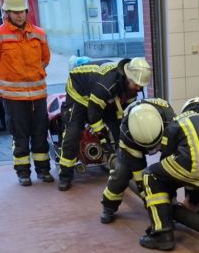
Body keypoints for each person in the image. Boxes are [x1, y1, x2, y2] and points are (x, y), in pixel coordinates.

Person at [139, 101, 199, 250]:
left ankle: (162, 233)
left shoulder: (177, 121)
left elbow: (166, 160)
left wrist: (168, 202)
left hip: (194, 167)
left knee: (152, 175)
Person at [0, 0, 52, 186]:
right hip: (13, 97)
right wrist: (11, 74)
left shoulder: (39, 34)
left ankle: (43, 170)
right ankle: (23, 173)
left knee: (40, 134)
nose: (19, 15)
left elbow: (45, 59)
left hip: (37, 95)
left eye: (22, 11)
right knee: (20, 136)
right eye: (15, 12)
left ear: (26, 11)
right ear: (7, 13)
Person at [57, 57, 151, 191]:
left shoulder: (132, 86)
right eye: (136, 84)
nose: (138, 88)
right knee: (74, 132)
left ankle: (119, 165)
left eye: (141, 86)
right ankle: (65, 176)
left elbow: (125, 114)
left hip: (101, 94)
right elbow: (93, 114)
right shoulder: (106, 85)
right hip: (79, 92)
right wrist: (103, 139)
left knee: (118, 129)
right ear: (127, 78)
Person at [100, 97, 175, 224]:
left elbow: (170, 160)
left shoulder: (171, 122)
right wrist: (147, 198)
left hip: (162, 137)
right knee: (121, 173)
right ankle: (109, 206)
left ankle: (172, 201)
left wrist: (170, 198)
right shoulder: (126, 131)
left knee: (169, 169)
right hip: (134, 145)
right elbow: (138, 170)